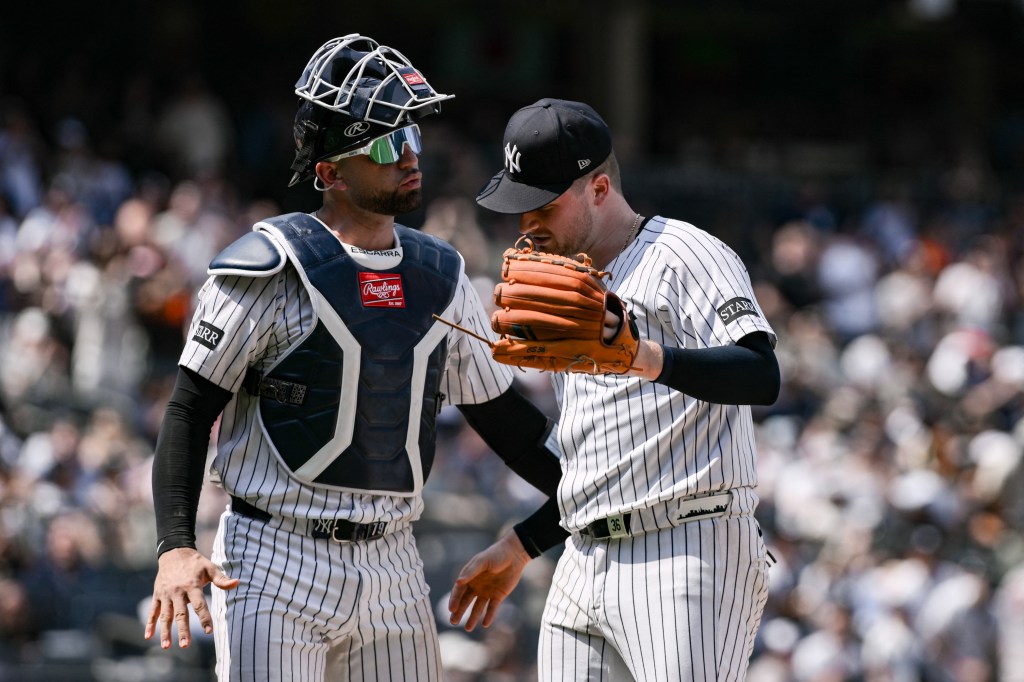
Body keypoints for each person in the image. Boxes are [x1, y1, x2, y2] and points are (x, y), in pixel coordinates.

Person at [143, 35, 565, 681]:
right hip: (271, 555)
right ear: (330, 172)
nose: (409, 157)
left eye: (413, 138)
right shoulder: (267, 265)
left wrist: (592, 496)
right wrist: (175, 546)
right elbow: (190, 409)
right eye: (385, 143)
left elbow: (505, 422)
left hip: (393, 562)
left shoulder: (442, 274)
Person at [448, 98, 782, 681]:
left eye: (542, 206)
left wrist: (643, 356)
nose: (527, 225)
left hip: (686, 548)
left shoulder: (682, 253)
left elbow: (761, 374)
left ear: (599, 189)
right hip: (582, 558)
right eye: (518, 208)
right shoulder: (565, 285)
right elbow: (608, 466)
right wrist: (523, 544)